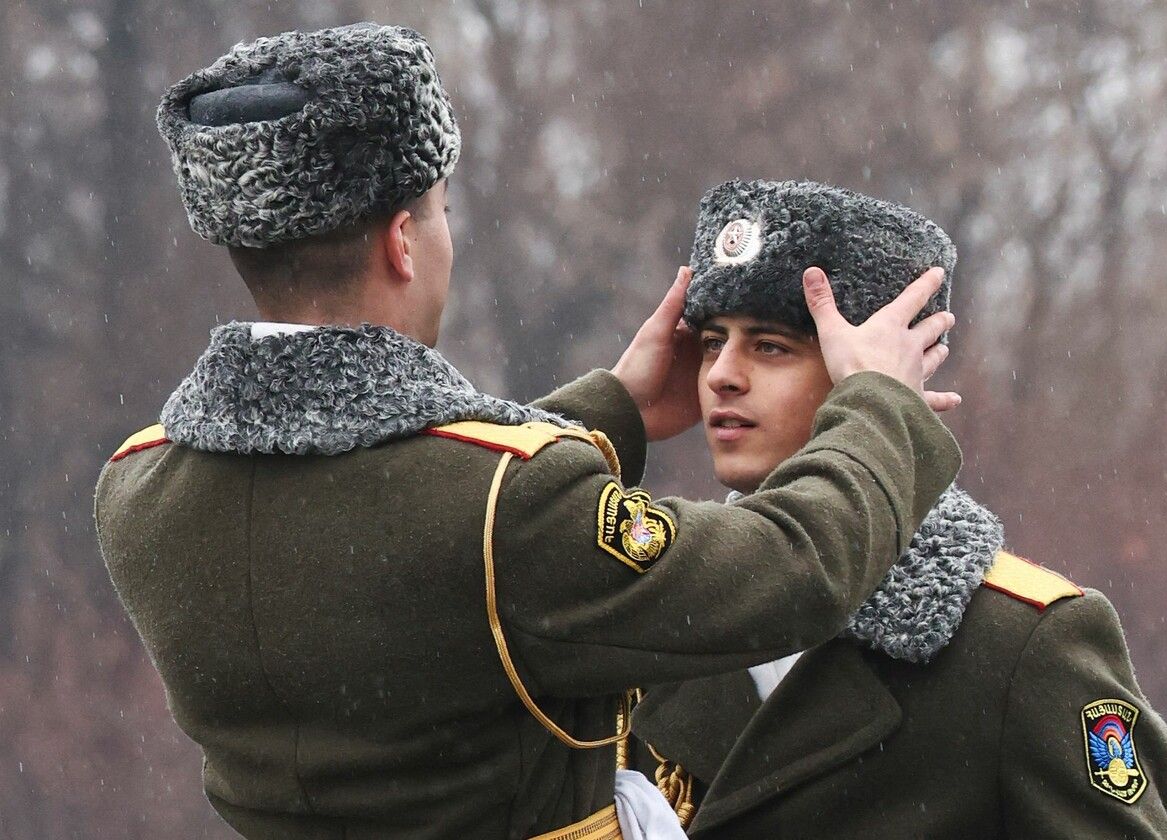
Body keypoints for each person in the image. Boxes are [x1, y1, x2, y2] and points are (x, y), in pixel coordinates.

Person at [95, 25, 964, 840]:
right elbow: (791, 573)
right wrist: (878, 405)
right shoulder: (505, 510)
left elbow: (401, 528)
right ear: (403, 241)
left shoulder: (139, 489)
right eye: (439, 210)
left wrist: (611, 408)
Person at [629, 179, 1167, 839]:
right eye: (713, 341)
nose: (721, 374)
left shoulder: (1022, 644)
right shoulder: (656, 609)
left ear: (881, 372)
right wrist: (610, 423)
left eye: (771, 346)